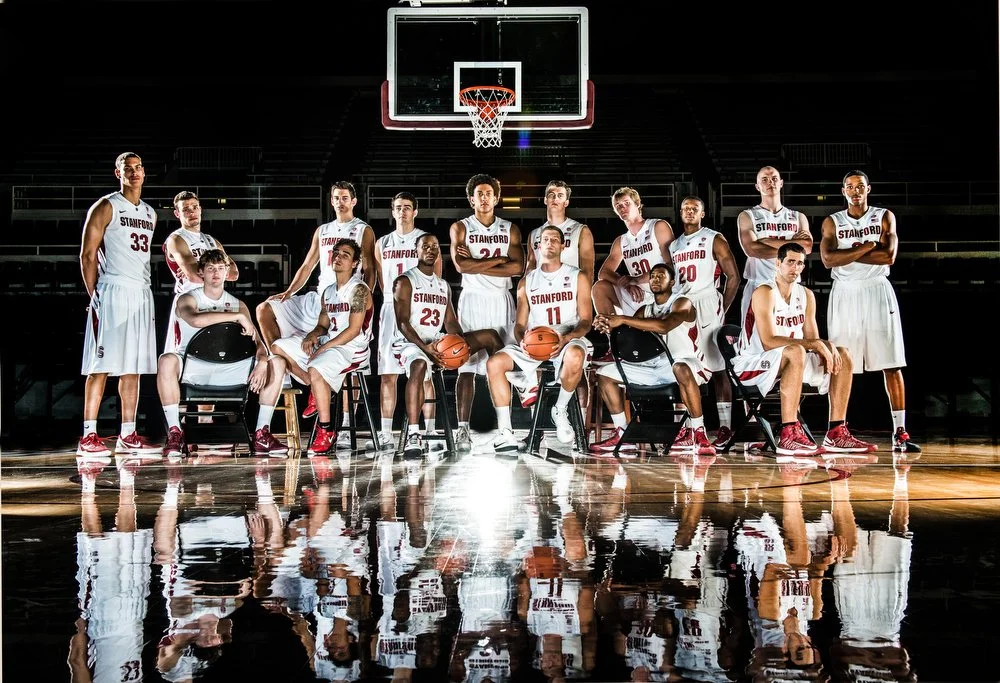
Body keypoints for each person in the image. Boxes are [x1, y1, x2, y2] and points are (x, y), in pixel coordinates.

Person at [733, 243, 876, 457]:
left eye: (800, 263)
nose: (796, 268)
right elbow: (768, 341)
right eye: (790, 262)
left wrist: (826, 347)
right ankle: (788, 432)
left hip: (791, 361)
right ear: (778, 263)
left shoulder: (806, 295)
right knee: (796, 351)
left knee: (843, 354)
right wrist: (813, 345)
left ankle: (836, 431)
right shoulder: (764, 292)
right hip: (752, 363)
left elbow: (812, 339)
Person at [256, 180, 376, 433]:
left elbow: (370, 269)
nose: (340, 202)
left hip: (347, 302)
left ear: (354, 202)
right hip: (321, 298)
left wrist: (366, 302)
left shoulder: (362, 230)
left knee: (348, 363)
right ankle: (300, 377)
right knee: (265, 309)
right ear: (331, 201)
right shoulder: (323, 230)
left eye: (345, 198)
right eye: (336, 198)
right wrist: (289, 293)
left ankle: (343, 425)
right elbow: (308, 265)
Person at [820, 170, 920, 453]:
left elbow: (889, 255)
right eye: (850, 187)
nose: (855, 191)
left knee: (891, 362)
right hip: (845, 291)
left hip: (877, 289)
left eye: (860, 186)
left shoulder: (884, 215)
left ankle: (899, 432)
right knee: (840, 361)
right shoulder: (832, 221)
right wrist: (867, 246)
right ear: (843, 191)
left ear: (868, 189)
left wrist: (849, 253)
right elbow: (828, 259)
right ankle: (837, 429)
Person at [157, 250, 289, 457]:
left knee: (278, 362)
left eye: (220, 268)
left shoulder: (238, 304)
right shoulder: (186, 299)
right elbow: (195, 320)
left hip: (232, 369)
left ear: (227, 272)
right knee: (166, 360)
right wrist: (236, 317)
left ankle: (262, 433)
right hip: (194, 368)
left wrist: (263, 361)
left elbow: (258, 343)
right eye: (210, 268)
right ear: (201, 272)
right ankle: (175, 433)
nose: (215, 273)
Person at [392, 233, 502, 458]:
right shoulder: (405, 281)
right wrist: (425, 348)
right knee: (419, 365)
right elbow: (402, 323)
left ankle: (512, 393)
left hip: (437, 343)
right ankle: (414, 434)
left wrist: (461, 345)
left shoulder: (443, 285)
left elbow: (450, 322)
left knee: (490, 337)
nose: (430, 250)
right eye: (425, 246)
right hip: (411, 345)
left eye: (434, 246)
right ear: (417, 250)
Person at [78, 152, 159, 458]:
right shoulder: (106, 205)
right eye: (128, 169)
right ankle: (88, 436)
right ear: (118, 174)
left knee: (133, 367)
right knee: (101, 365)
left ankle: (128, 434)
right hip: (112, 290)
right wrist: (94, 296)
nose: (135, 173)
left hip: (141, 291)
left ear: (144, 172)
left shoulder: (150, 212)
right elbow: (88, 254)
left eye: (139, 168)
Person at [589, 262, 715, 456]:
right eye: (653, 276)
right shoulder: (645, 311)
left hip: (688, 363)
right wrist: (607, 325)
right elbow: (630, 337)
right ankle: (624, 435)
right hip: (655, 366)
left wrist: (621, 319)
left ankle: (698, 432)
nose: (655, 279)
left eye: (661, 276)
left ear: (672, 282)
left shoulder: (682, 302)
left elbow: (665, 326)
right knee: (604, 374)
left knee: (680, 367)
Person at [486, 225, 592, 453]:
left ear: (564, 245)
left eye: (556, 239)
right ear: (538, 246)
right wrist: (522, 340)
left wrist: (567, 338)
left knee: (576, 354)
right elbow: (520, 325)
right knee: (494, 363)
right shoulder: (527, 281)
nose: (551, 243)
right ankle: (505, 432)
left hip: (566, 338)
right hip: (535, 342)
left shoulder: (577, 276)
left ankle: (560, 409)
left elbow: (585, 321)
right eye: (546, 239)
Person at [269, 239, 372, 456]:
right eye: (336, 252)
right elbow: (323, 325)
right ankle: (315, 387)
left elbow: (353, 330)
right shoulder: (327, 291)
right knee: (278, 346)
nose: (338, 257)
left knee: (315, 366)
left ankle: (326, 431)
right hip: (331, 344)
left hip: (353, 349)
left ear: (355, 263)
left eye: (345, 254)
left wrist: (322, 349)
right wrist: (312, 336)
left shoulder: (359, 290)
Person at [449, 173, 525, 451]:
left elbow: (518, 268)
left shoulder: (510, 229)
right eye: (478, 194)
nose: (483, 198)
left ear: (496, 198)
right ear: (471, 199)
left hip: (500, 298)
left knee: (502, 365)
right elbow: (461, 267)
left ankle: (505, 430)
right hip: (471, 299)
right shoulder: (460, 227)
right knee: (465, 368)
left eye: (487, 193)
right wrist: (498, 260)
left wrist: (478, 262)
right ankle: (463, 430)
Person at [667, 196, 742, 451]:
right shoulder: (674, 245)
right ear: (680, 212)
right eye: (685, 209)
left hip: (709, 302)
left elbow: (734, 276)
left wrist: (724, 308)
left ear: (702, 213)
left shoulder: (714, 237)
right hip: (682, 304)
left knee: (718, 366)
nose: (689, 212)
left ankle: (724, 426)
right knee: (683, 362)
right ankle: (688, 428)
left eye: (694, 209)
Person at [373, 192, 441, 451]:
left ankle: (431, 431)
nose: (402, 212)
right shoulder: (382, 243)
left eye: (407, 208)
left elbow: (437, 279)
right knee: (387, 374)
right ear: (392, 211)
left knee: (424, 373)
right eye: (398, 208)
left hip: (421, 309)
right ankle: (386, 434)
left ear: (415, 212)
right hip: (392, 310)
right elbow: (381, 281)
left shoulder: (425, 241)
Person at [519, 179, 596, 408]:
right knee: (536, 358)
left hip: (569, 304)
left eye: (560, 195)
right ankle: (537, 424)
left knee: (575, 363)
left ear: (567, 201)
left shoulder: (580, 230)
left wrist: (581, 307)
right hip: (542, 304)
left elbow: (589, 271)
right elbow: (530, 269)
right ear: (544, 199)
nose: (555, 198)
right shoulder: (535, 234)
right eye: (551, 194)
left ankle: (579, 421)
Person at [736, 166, 813, 331]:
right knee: (755, 345)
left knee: (791, 340)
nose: (770, 182)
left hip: (791, 287)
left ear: (781, 183)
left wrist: (766, 241)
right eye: (764, 179)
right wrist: (792, 245)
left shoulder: (798, 216)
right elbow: (752, 249)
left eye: (774, 178)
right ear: (757, 186)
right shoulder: (747, 216)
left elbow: (806, 247)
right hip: (758, 285)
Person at [592, 186, 673, 319]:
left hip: (663, 292)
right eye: (618, 205)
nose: (622, 208)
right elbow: (603, 273)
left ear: (637, 204)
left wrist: (636, 280)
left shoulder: (657, 226)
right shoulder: (621, 241)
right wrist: (624, 283)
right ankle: (613, 335)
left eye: (626, 203)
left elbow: (671, 265)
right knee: (600, 287)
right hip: (638, 295)